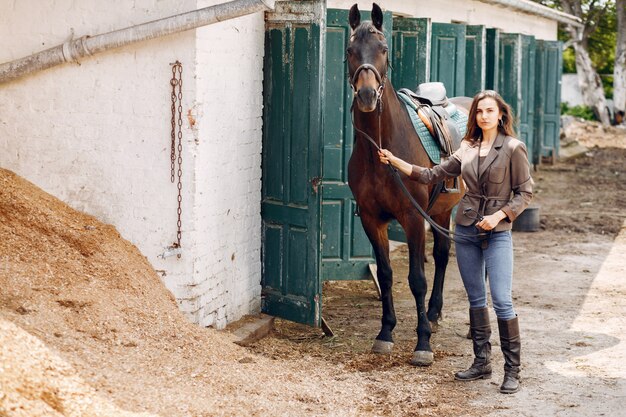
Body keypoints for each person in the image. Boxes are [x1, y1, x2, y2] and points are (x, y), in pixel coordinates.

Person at [378, 90, 532, 394]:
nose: (484, 116)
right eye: (479, 111)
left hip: (497, 232)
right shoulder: (467, 148)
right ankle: (481, 361)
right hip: (465, 231)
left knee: (501, 299)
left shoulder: (514, 148)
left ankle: (512, 370)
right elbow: (430, 174)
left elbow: (524, 194)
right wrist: (396, 161)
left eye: (490, 111)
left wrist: (501, 215)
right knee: (476, 299)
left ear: (501, 114)